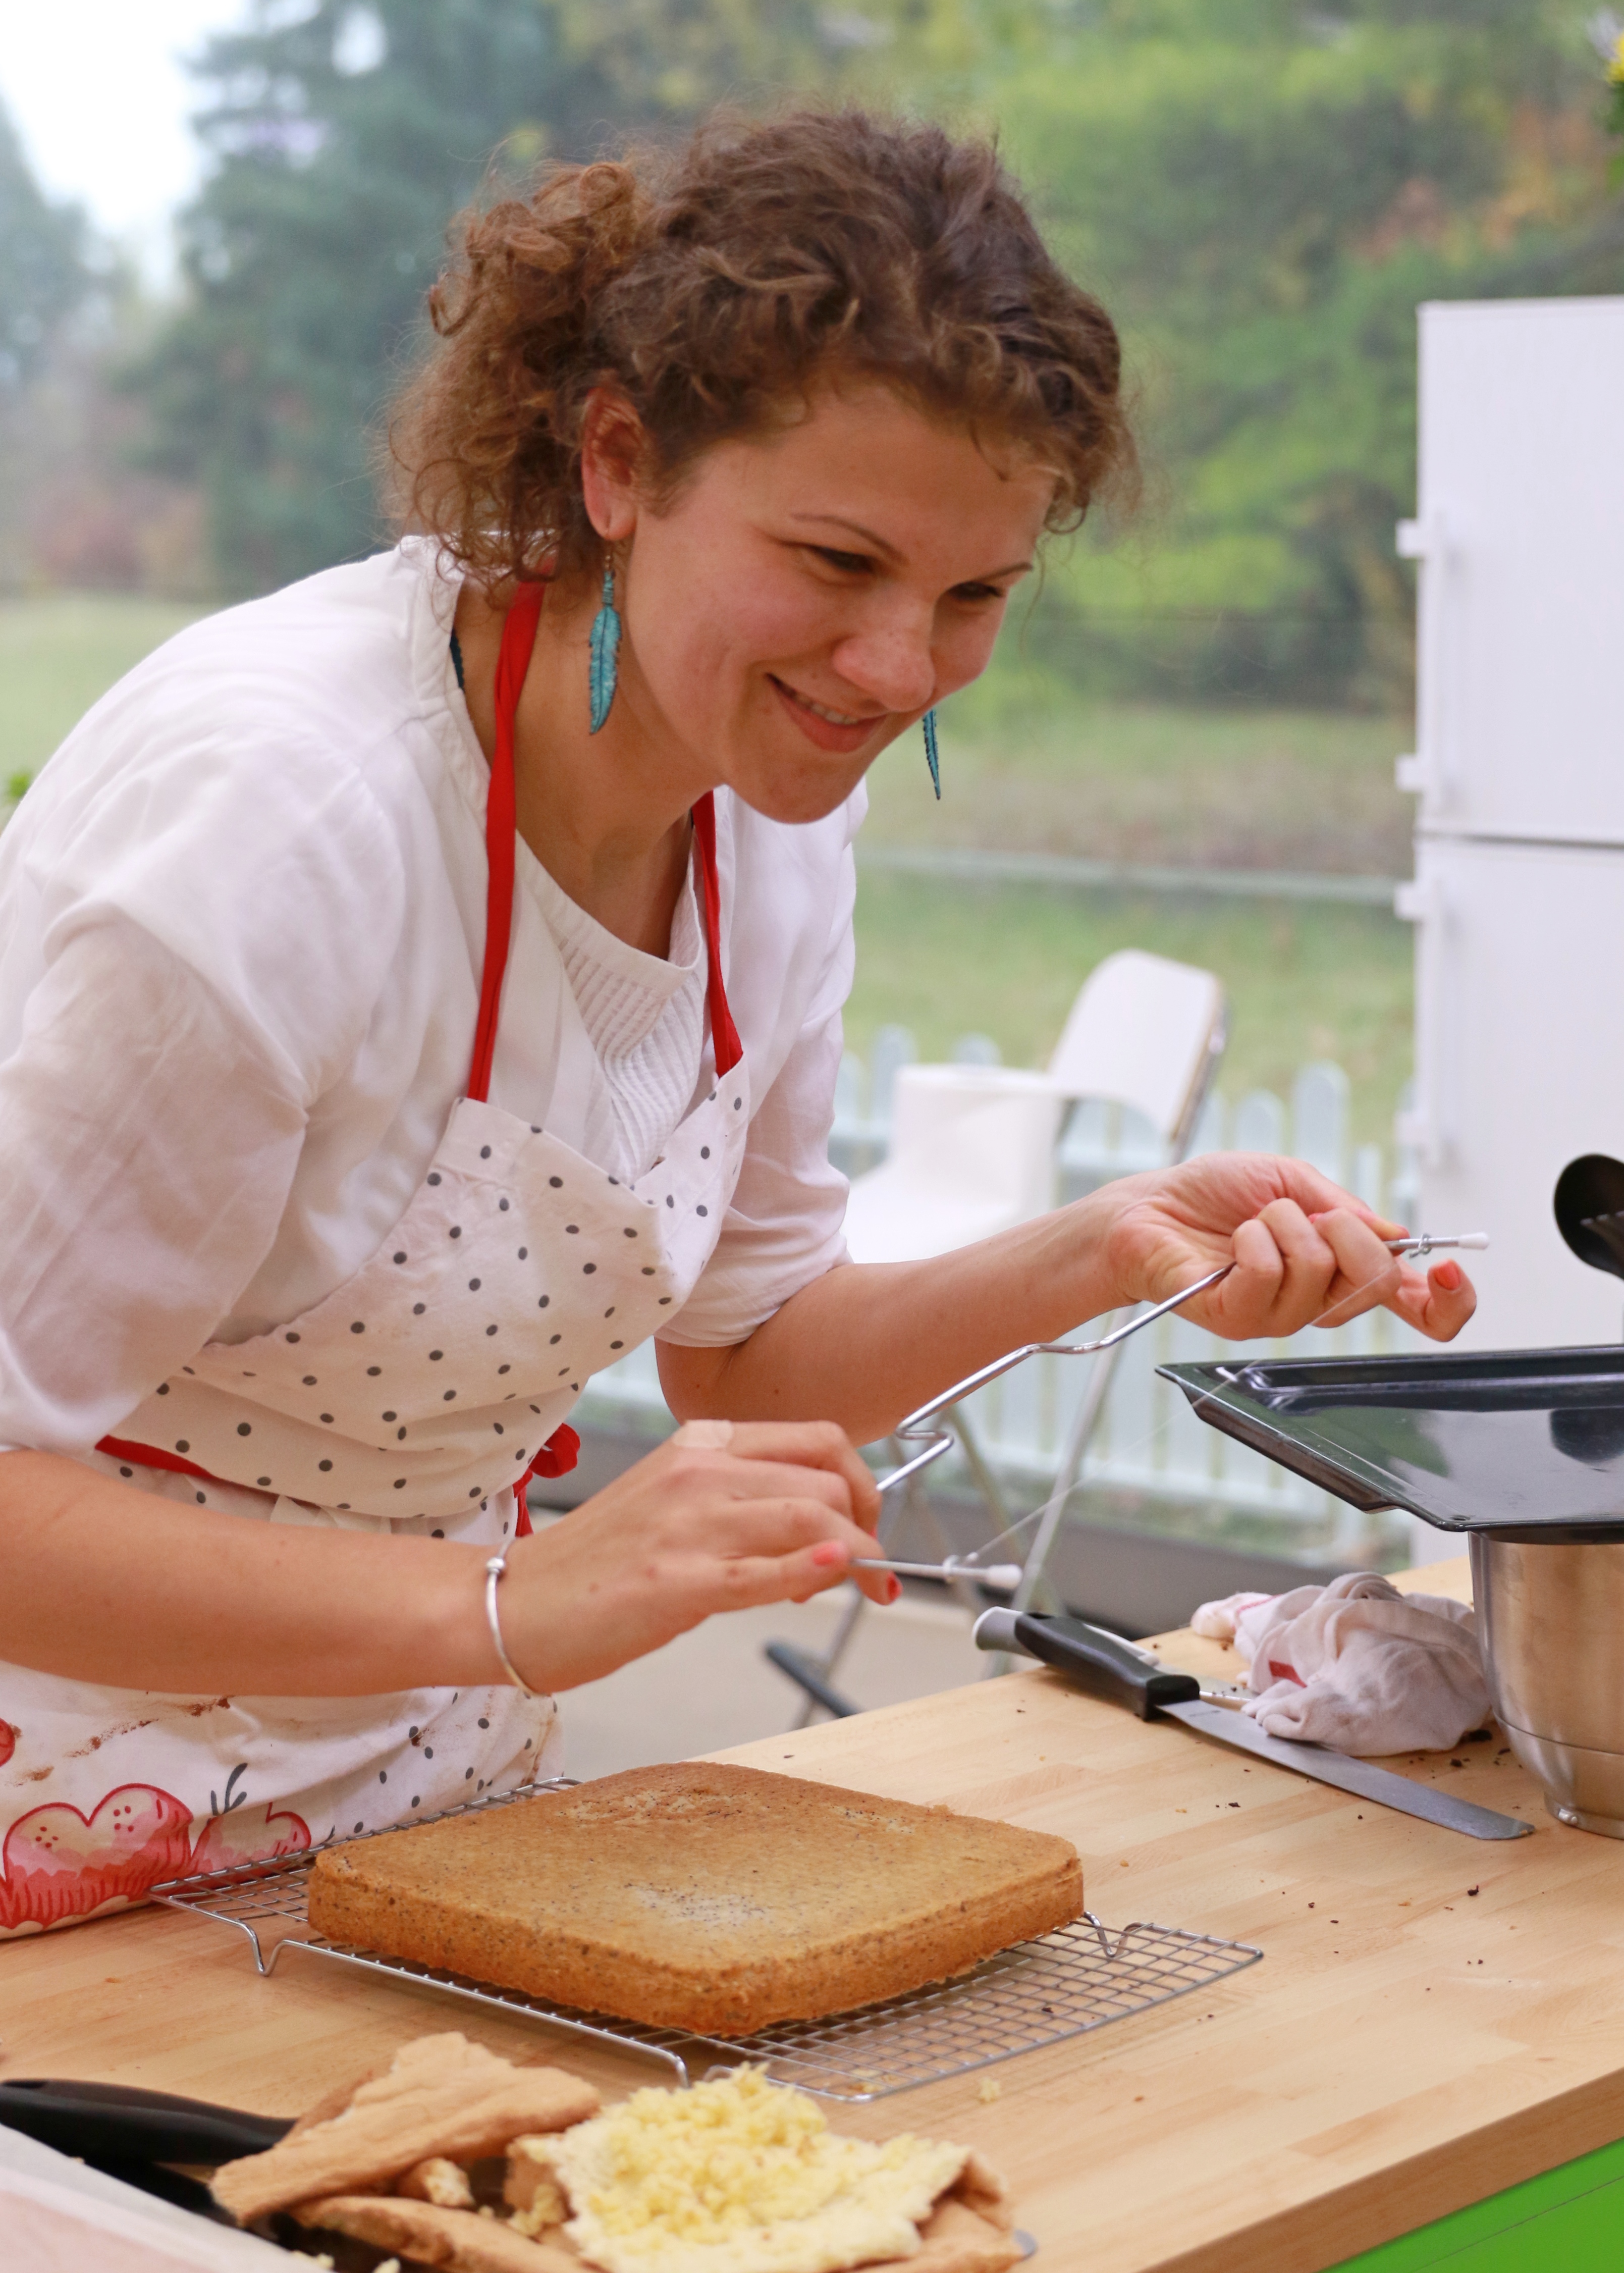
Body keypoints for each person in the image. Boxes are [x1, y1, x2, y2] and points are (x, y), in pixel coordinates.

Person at [0, 108, 1474, 1935]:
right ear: (617, 462)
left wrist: (1103, 1249)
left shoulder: (763, 813)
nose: (898, 671)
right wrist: (508, 1609)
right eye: (840, 562)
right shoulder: (279, 825)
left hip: (421, 1833)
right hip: (53, 1845)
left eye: (976, 595)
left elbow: (752, 1347)